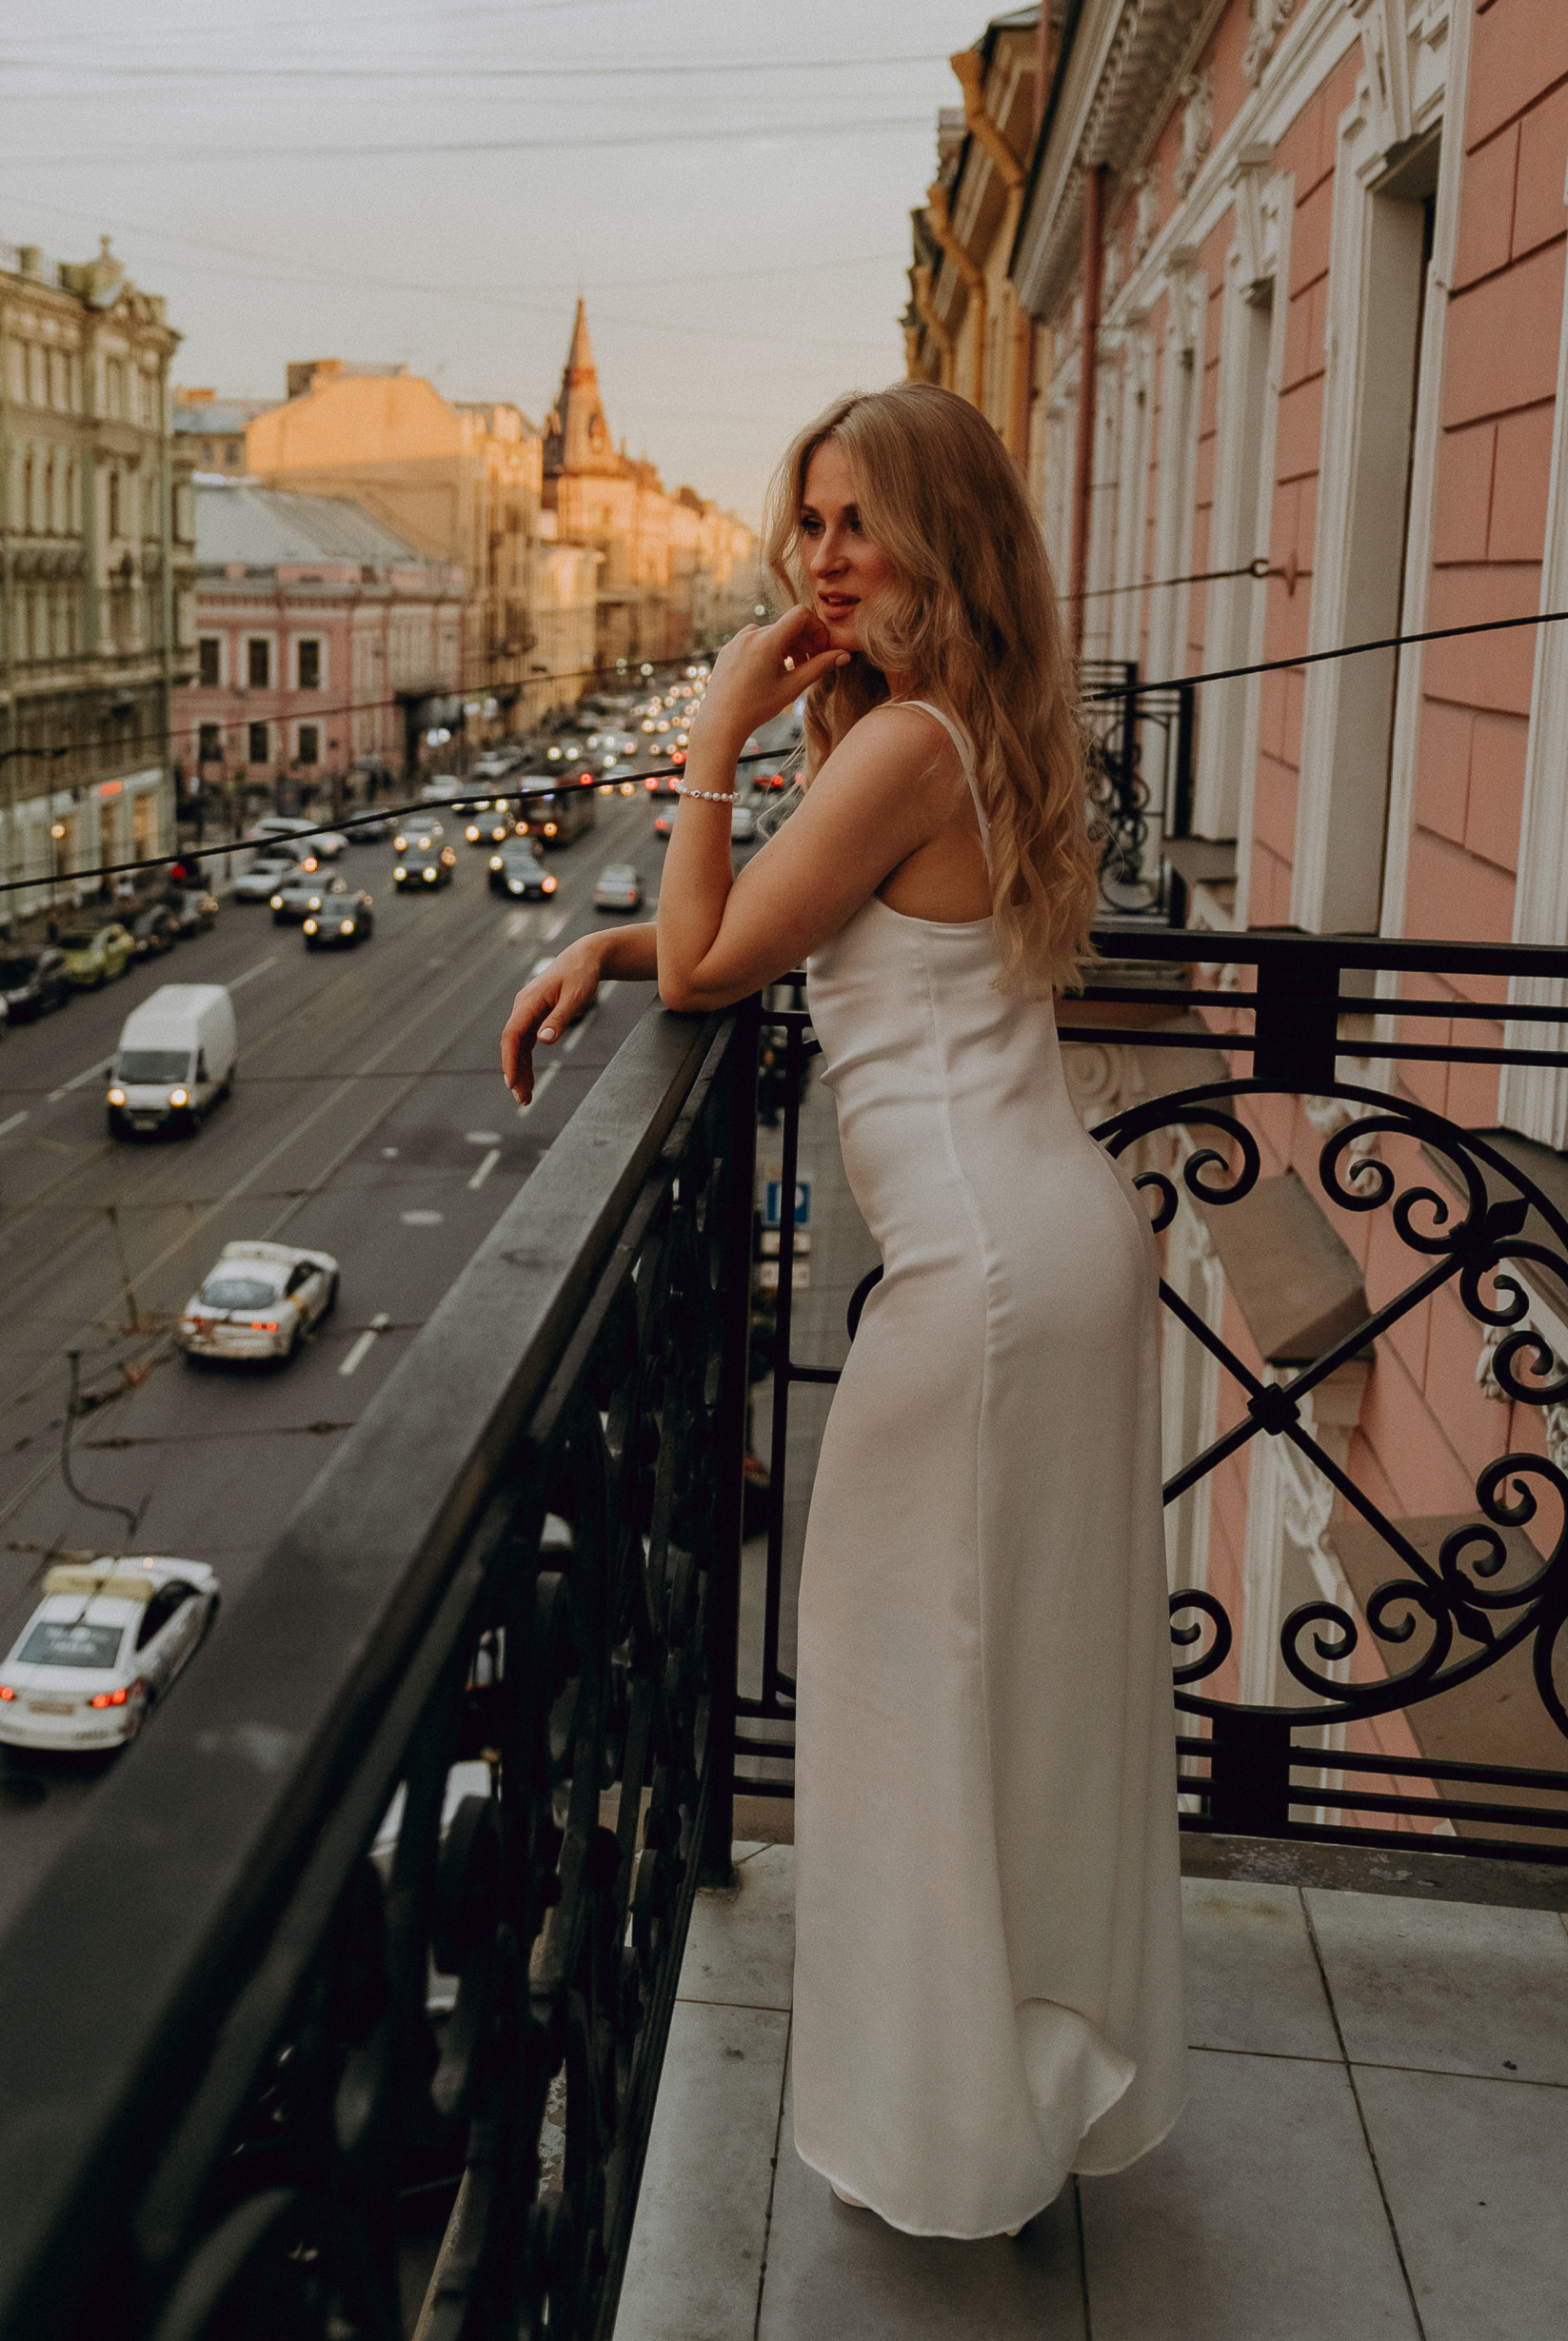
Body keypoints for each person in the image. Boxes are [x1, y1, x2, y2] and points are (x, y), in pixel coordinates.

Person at [501, 384, 1185, 2238]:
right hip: (1047, 1251)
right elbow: (783, 928)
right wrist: (612, 938)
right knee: (1015, 1696)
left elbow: (729, 950)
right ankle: (1015, 2087)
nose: (817, 559)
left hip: (973, 1287)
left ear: (936, 539)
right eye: (805, 522)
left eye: (855, 522)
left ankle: (944, 2133)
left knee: (905, 1698)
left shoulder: (889, 750)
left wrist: (718, 722)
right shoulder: (945, 732)